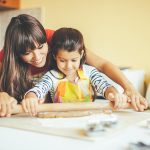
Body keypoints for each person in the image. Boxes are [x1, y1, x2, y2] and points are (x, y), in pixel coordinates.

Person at [0, 14, 147, 117]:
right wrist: (3, 94)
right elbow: (38, 89)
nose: (37, 57)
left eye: (41, 47)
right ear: (15, 53)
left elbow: (102, 66)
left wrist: (127, 89)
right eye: (27, 52)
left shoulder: (56, 39)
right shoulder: (49, 76)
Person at [22, 27, 128, 116]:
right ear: (55, 56)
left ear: (81, 54)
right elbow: (38, 89)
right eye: (62, 60)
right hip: (60, 120)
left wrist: (114, 94)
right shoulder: (51, 76)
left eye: (74, 60)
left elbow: (105, 87)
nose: (68, 66)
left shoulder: (90, 72)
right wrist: (31, 98)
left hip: (87, 119)